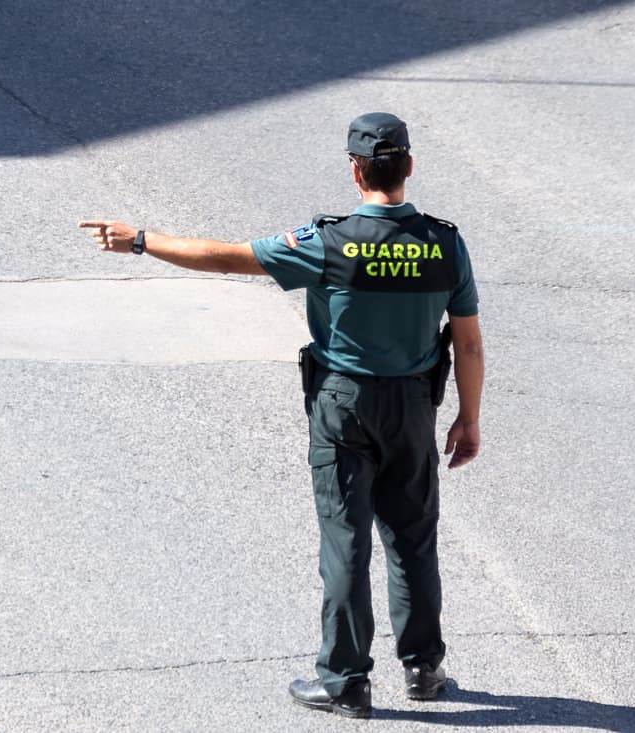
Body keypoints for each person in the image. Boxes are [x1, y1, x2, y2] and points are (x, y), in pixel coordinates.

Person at [79, 112, 483, 719]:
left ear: (355, 171)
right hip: (413, 405)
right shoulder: (444, 243)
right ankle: (423, 667)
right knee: (413, 539)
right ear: (409, 167)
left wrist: (141, 239)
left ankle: (346, 680)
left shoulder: (330, 242)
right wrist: (468, 418)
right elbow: (469, 342)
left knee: (346, 540)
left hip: (343, 403)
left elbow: (225, 259)